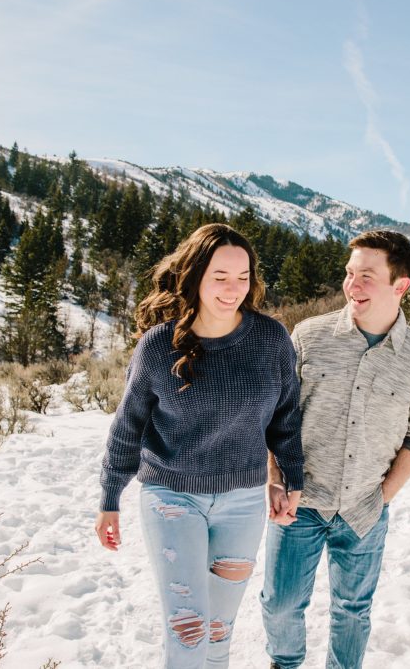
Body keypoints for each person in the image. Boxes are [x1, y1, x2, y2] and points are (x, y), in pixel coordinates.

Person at [95, 223, 304, 669]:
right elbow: (128, 425)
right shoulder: (159, 345)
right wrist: (109, 496)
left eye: (242, 277)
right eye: (220, 277)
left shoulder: (270, 339)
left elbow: (286, 418)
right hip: (172, 498)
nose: (233, 289)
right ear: (195, 276)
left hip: (243, 503)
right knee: (188, 631)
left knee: (216, 634)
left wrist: (290, 478)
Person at [260, 230, 410, 669]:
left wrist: (381, 499)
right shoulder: (308, 337)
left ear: (400, 285)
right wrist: (274, 479)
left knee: (353, 611)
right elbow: (275, 417)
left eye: (366, 276)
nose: (351, 285)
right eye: (349, 274)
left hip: (364, 511)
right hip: (298, 503)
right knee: (280, 606)